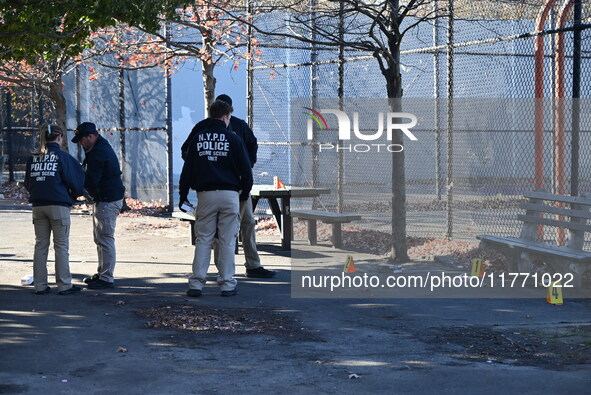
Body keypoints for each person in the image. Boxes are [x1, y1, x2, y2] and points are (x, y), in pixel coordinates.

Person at [181, 94, 275, 279]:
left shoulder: (213, 128)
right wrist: (245, 173)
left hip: (218, 188)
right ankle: (230, 272)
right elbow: (188, 151)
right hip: (235, 186)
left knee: (224, 229)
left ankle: (244, 266)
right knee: (232, 229)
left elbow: (187, 153)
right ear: (226, 114)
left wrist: (201, 171)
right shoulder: (228, 128)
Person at [179, 100, 253, 297]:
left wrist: (183, 194)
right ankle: (227, 283)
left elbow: (188, 169)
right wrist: (244, 194)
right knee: (228, 241)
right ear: (226, 116)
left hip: (206, 195)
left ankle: (197, 283)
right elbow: (246, 170)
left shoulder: (199, 138)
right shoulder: (234, 139)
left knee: (203, 239)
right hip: (230, 195)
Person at [24, 124, 85, 295]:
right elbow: (76, 183)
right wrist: (74, 196)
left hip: (38, 206)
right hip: (58, 206)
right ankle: (64, 285)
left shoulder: (34, 158)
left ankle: (40, 285)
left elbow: (28, 183)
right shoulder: (63, 158)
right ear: (59, 137)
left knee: (40, 246)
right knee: (61, 246)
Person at [71, 122, 125, 290]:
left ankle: (107, 277)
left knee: (105, 238)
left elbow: (92, 180)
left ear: (91, 136)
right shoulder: (98, 148)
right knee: (100, 238)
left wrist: (75, 190)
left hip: (108, 200)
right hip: (106, 199)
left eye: (82, 139)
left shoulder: (98, 152)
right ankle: (102, 273)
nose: (81, 143)